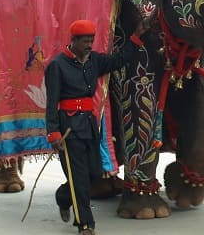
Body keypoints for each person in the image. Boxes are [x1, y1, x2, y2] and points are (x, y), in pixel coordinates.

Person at [45, 19, 146, 235]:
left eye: (91, 41)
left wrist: (135, 38)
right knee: (80, 179)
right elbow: (51, 102)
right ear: (73, 41)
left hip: (90, 127)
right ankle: (85, 224)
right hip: (68, 130)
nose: (89, 45)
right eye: (85, 41)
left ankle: (63, 197)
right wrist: (53, 133)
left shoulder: (95, 61)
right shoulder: (57, 65)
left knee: (93, 174)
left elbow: (119, 60)